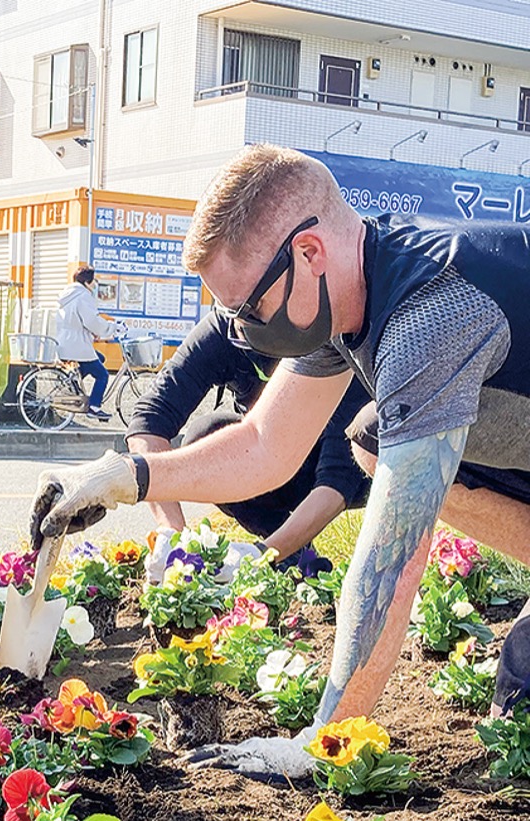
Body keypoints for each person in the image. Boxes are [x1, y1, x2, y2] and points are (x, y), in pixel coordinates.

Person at [29, 143, 530, 777]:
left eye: (246, 311)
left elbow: (390, 564)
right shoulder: (351, 298)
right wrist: (123, 478)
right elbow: (266, 444)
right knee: (376, 438)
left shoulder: (431, 318)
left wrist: (320, 742)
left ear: (309, 253)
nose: (240, 335)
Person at [125, 306, 371, 568]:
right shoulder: (228, 324)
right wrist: (173, 535)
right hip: (269, 464)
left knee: (359, 441)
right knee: (204, 436)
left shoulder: (326, 329)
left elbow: (338, 481)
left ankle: (289, 551)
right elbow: (150, 417)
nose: (240, 321)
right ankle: (296, 555)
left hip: (353, 467)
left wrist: (261, 555)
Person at [55, 264, 115, 421]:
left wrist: (93, 332)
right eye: (93, 281)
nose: (95, 284)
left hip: (65, 343)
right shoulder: (83, 296)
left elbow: (77, 321)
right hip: (77, 345)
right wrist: (110, 328)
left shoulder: (67, 295)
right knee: (102, 375)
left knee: (99, 359)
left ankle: (72, 382)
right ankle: (94, 407)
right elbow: (92, 320)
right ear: (87, 282)